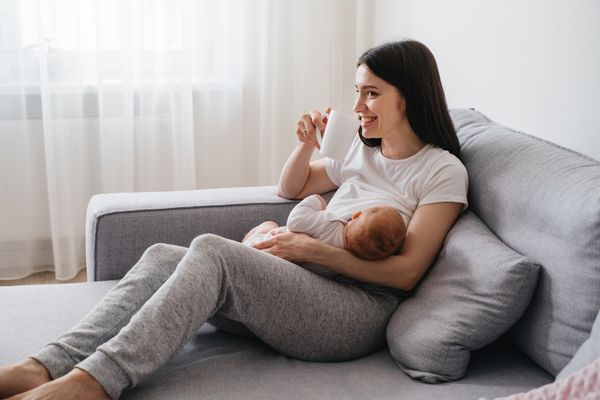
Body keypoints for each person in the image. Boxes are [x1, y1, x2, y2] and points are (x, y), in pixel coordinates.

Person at [0, 39, 468, 400]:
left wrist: (312, 249)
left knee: (212, 250)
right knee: (164, 255)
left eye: (371, 93)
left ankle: (94, 382)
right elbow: (291, 188)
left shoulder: (441, 170)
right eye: (357, 92)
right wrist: (306, 142)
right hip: (301, 283)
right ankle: (43, 366)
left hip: (355, 312)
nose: (359, 105)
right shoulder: (364, 151)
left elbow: (407, 273)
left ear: (407, 96)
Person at [243, 194, 407, 264]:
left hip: (265, 246)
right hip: (279, 263)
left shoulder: (330, 223)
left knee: (269, 225)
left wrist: (316, 201)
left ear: (356, 215)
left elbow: (295, 220)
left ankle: (245, 243)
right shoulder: (343, 261)